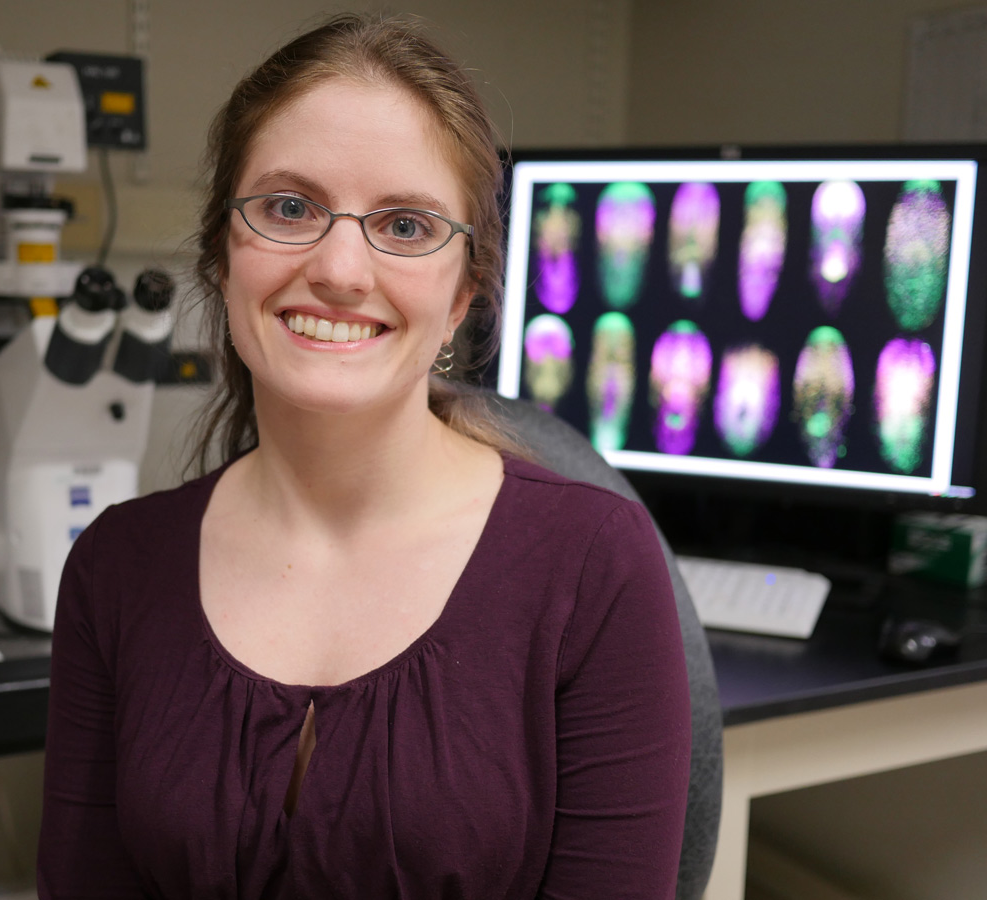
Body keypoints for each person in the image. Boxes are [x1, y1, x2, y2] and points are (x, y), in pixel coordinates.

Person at [37, 13, 691, 900]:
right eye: (289, 208)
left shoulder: (594, 568)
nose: (342, 269)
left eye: (409, 226)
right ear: (222, 256)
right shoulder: (117, 569)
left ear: (464, 294)